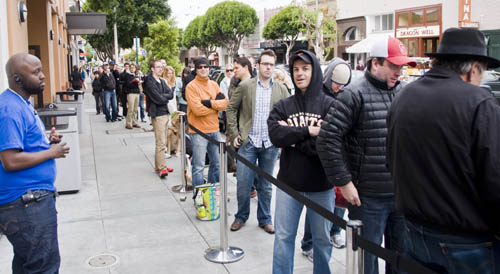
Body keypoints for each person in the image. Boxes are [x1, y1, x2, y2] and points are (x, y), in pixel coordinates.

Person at [387, 28, 500, 274]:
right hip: (467, 240)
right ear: (473, 70)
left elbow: (391, 161)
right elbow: (494, 178)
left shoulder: (404, 96)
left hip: (414, 230)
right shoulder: (479, 102)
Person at [316, 36, 416, 274]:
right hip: (368, 198)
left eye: (401, 66)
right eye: (394, 65)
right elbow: (327, 139)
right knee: (367, 261)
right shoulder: (353, 94)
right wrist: (344, 181)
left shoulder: (404, 93)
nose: (398, 72)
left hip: (401, 196)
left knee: (400, 258)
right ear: (375, 63)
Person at [0, 53, 70, 273]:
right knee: (43, 267)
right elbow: (10, 160)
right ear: (17, 79)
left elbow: (21, 144)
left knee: (28, 264)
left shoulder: (20, 103)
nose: (43, 76)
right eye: (36, 72)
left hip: (28, 203)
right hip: (26, 205)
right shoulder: (10, 109)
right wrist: (51, 152)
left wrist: (45, 142)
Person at [268, 50, 336, 274]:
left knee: (322, 242)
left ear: (314, 71)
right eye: (295, 69)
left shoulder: (329, 105)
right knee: (283, 239)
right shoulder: (283, 105)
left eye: (305, 69)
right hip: (289, 185)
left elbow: (327, 145)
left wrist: (295, 140)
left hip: (321, 187)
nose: (299, 74)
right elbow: (276, 136)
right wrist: (308, 130)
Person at [227, 49, 289, 234]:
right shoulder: (246, 86)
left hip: (270, 145)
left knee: (266, 186)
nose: (268, 67)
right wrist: (235, 132)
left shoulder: (281, 89)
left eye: (271, 64)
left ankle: (265, 219)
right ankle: (241, 216)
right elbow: (231, 109)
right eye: (265, 64)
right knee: (243, 184)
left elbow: (288, 114)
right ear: (258, 66)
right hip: (249, 143)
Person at [301, 57, 352, 261]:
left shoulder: (346, 95)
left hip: (340, 156)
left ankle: (335, 233)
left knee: (340, 201)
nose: (338, 87)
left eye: (342, 84)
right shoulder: (317, 95)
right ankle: (308, 243)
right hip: (319, 157)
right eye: (336, 82)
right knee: (316, 206)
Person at [185, 56, 229, 188]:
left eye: (205, 66)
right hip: (198, 132)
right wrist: (215, 106)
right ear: (196, 70)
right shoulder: (191, 87)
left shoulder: (214, 85)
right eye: (200, 67)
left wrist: (209, 103)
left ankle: (212, 193)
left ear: (209, 68)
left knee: (216, 163)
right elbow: (197, 110)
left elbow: (225, 103)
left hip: (214, 130)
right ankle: (199, 198)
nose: (203, 69)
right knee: (198, 166)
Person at [143, 60, 174, 178]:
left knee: (163, 141)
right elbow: (158, 99)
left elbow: (170, 94)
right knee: (161, 142)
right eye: (158, 67)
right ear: (152, 68)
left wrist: (163, 96)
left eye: (161, 67)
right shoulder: (149, 81)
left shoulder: (161, 81)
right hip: (158, 114)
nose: (160, 69)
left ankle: (160, 165)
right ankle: (162, 168)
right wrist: (163, 96)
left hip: (165, 112)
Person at [124, 64, 141, 129]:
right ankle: (128, 123)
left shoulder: (136, 75)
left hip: (137, 92)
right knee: (130, 108)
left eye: (133, 68)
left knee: (135, 109)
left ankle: (134, 122)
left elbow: (138, 84)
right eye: (131, 68)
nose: (132, 69)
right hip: (130, 93)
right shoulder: (127, 75)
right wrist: (134, 81)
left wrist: (139, 82)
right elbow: (128, 84)